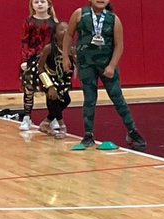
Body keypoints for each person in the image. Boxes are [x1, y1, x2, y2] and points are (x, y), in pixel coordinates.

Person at [61, 0, 145, 150]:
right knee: (89, 99)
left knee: (118, 98)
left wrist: (112, 65)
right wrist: (65, 58)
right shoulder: (79, 14)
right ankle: (88, 135)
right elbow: (68, 35)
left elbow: (119, 45)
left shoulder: (114, 19)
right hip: (86, 65)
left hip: (107, 65)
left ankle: (133, 131)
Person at [19, 0, 59, 132]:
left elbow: (57, 42)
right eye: (36, 2)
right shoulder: (29, 21)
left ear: (49, 5)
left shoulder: (54, 23)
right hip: (32, 59)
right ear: (32, 5)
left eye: (43, 1)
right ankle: (27, 117)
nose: (40, 4)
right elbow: (25, 41)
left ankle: (53, 117)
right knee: (29, 88)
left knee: (51, 89)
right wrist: (24, 60)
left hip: (49, 60)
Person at [34, 20, 73, 139]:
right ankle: (62, 126)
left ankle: (46, 123)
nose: (65, 31)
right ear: (55, 34)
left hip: (62, 80)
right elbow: (40, 67)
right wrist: (49, 86)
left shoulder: (72, 49)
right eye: (61, 29)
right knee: (53, 99)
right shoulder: (49, 48)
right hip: (48, 77)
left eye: (67, 29)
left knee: (66, 100)